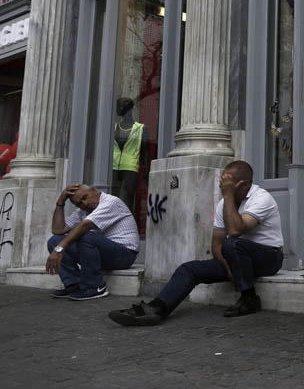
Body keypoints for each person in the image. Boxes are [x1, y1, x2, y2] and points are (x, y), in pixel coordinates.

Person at [108, 160, 284, 326]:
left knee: (232, 243)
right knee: (189, 269)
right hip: (235, 258)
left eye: (227, 182)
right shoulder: (224, 204)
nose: (222, 186)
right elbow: (216, 244)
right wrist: (229, 267)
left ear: (243, 185)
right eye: (222, 181)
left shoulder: (261, 198)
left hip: (269, 258)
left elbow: (235, 231)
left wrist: (228, 195)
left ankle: (249, 298)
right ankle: (156, 308)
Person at [46, 184, 140, 300]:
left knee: (87, 236)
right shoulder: (83, 211)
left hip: (125, 255)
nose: (84, 204)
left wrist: (59, 249)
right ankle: (74, 284)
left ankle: (94, 287)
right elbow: (58, 230)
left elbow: (85, 226)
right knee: (54, 241)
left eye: (85, 197)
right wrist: (60, 202)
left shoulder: (111, 202)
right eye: (79, 204)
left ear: (94, 190)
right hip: (102, 256)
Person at [111, 97, 149, 212]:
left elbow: (145, 152)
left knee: (128, 197)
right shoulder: (114, 127)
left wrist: (146, 171)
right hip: (114, 166)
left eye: (120, 106)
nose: (117, 109)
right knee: (111, 198)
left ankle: (126, 220)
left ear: (128, 108)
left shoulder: (140, 128)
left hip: (130, 167)